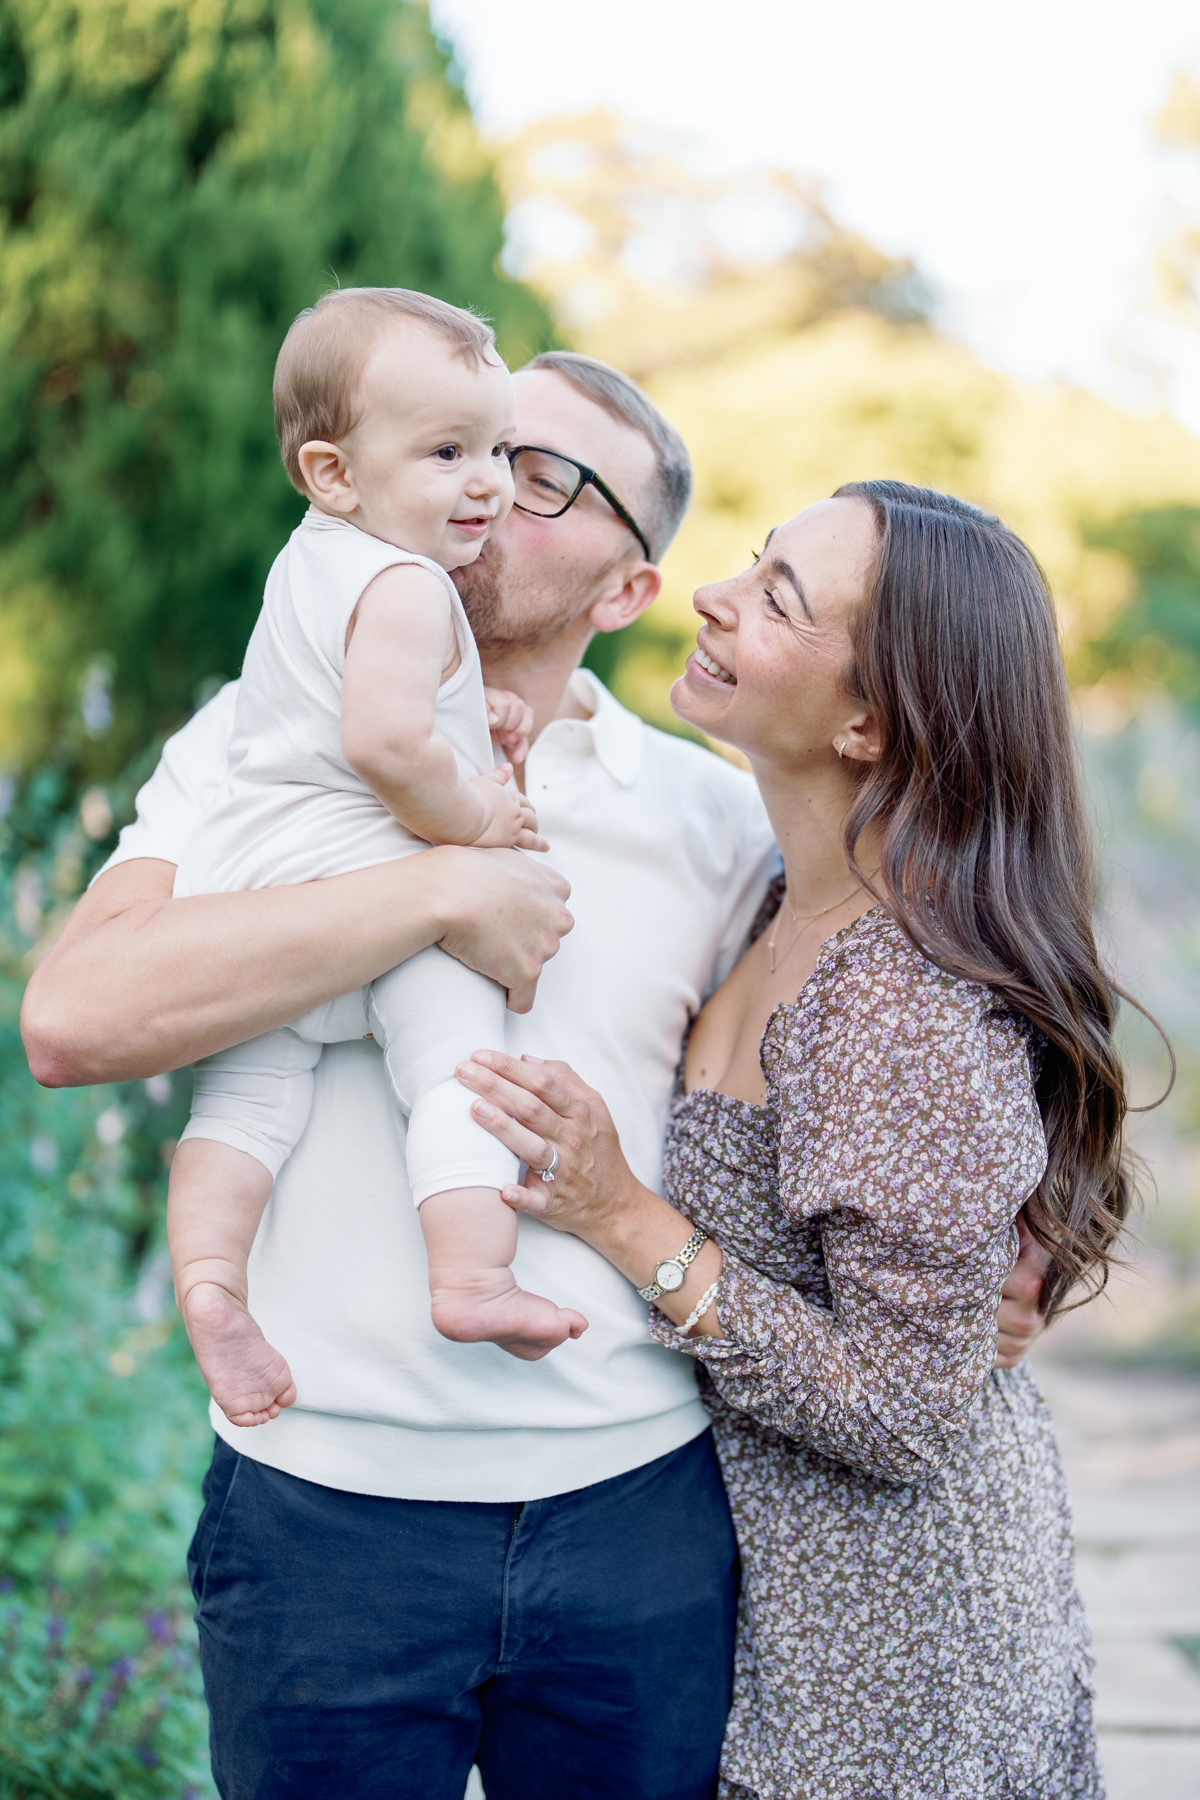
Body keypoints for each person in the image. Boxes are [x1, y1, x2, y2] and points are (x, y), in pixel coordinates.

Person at [21, 364, 1047, 1799]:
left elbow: (928, 978)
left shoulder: (717, 822)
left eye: (550, 475)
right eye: (478, 446)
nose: (491, 485)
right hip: (324, 1519)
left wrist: (1043, 1207)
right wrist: (441, 887)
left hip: (641, 1521)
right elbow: (70, 1024)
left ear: (629, 590)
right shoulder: (256, 747)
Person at [456, 482, 1122, 1796]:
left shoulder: (892, 997)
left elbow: (906, 1414)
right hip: (787, 1597)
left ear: (870, 721)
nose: (717, 594)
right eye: (759, 564)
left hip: (888, 1646)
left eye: (779, 599)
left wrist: (625, 1217)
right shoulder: (784, 894)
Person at [167, 288, 584, 1437]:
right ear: (333, 473)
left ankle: (210, 1284)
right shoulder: (408, 586)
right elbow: (387, 744)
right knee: (456, 1069)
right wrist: (480, 820)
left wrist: (472, 705)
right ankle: (472, 1281)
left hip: (257, 894)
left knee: (246, 1104)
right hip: (373, 888)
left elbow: (354, 704)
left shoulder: (315, 567)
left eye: (499, 449)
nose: (490, 482)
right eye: (449, 452)